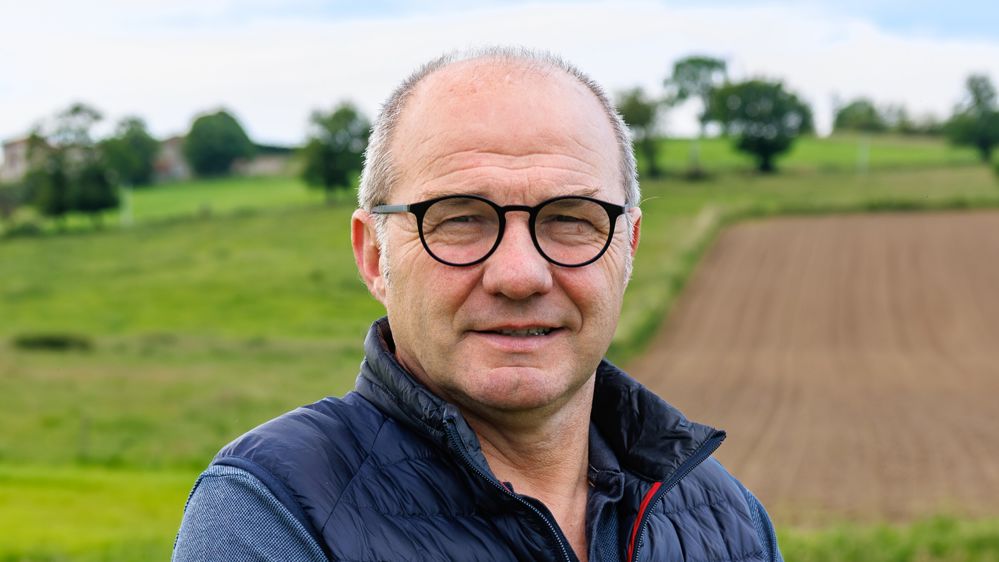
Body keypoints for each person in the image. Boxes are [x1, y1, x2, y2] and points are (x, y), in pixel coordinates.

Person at [172, 48, 782, 562]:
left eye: (571, 219)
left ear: (627, 248)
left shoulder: (729, 521)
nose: (520, 274)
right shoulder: (273, 513)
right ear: (374, 256)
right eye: (460, 219)